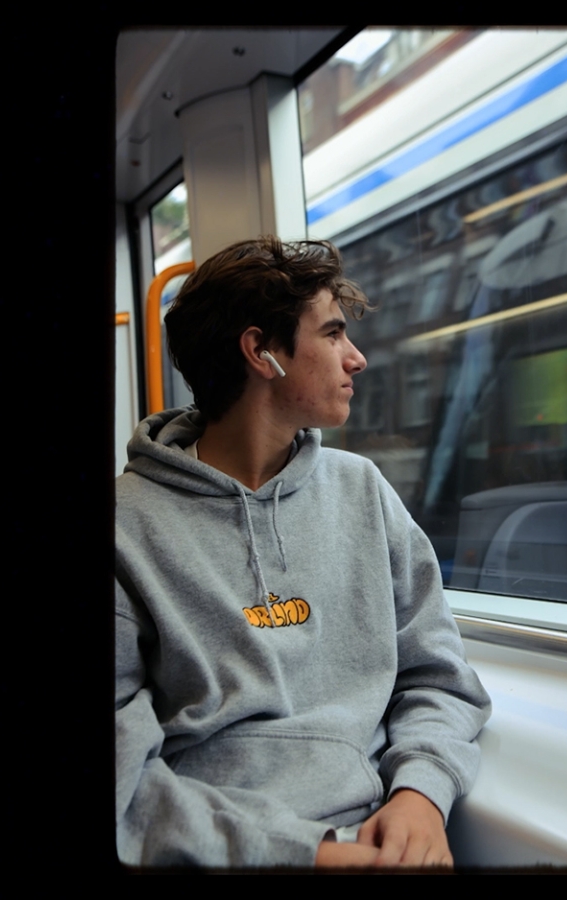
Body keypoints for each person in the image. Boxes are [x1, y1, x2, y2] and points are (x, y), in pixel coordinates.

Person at [114, 236, 491, 868]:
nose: (358, 358)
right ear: (262, 352)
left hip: (372, 832)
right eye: (334, 335)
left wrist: (421, 795)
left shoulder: (363, 492)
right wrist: (309, 856)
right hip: (215, 852)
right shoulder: (129, 525)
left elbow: (441, 678)